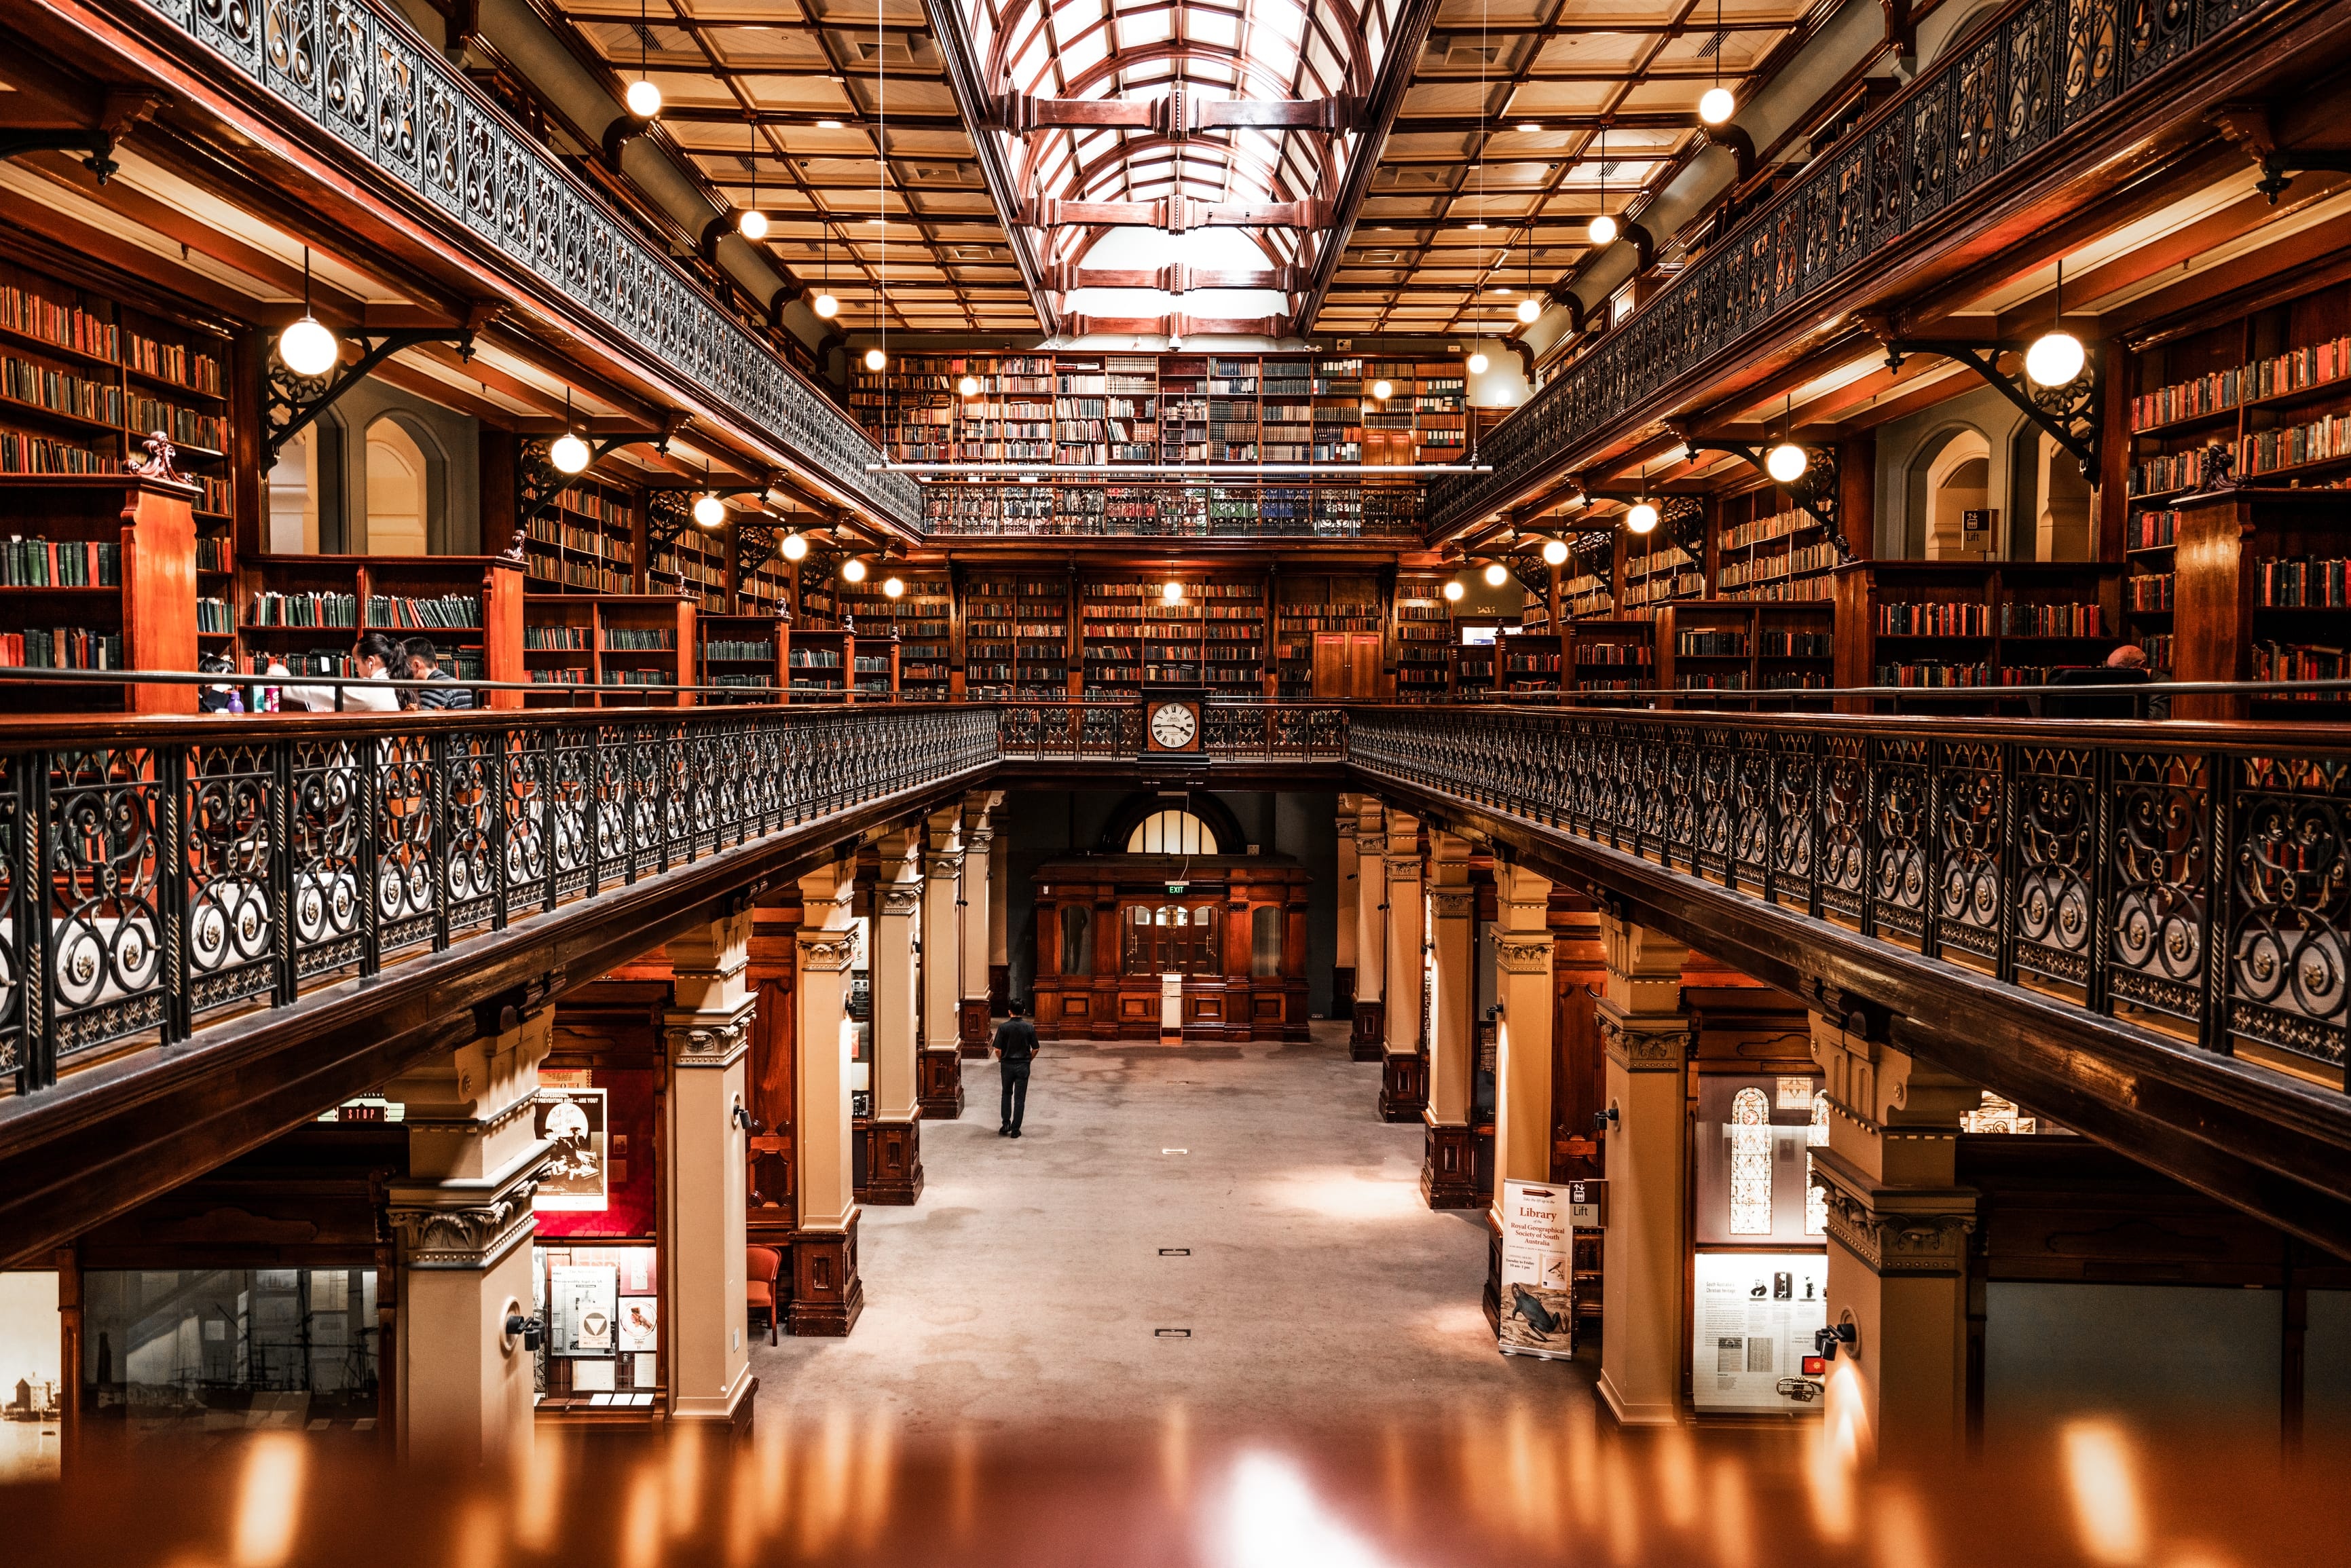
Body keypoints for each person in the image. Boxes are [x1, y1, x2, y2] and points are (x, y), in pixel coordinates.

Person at [278, 633, 403, 712]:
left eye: (356, 663)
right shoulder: (388, 682)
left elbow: (329, 694)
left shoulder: (373, 688)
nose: (356, 669)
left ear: (370, 662)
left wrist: (287, 681)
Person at [992, 998, 1040, 1138]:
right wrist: (1028, 1060)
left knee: (1006, 1093)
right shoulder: (1029, 1027)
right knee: (1020, 1098)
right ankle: (1015, 1129)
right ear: (1023, 1011)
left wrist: (1001, 1059)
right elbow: (1036, 1048)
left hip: (1007, 1065)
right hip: (1023, 1065)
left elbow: (997, 1049)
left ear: (1009, 1012)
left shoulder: (1003, 1027)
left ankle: (1006, 1124)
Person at [405, 636, 475, 709]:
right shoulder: (462, 687)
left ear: (416, 665)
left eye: (405, 666)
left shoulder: (431, 691)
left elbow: (424, 716)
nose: (404, 671)